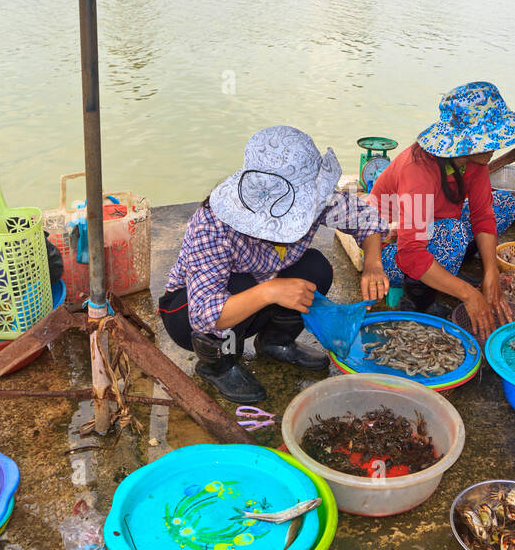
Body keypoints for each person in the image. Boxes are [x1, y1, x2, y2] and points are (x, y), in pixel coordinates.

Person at [159, 126, 389, 404]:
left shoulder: (316, 197)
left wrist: (373, 263)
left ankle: (275, 342)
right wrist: (270, 291)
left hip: (259, 287)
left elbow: (364, 218)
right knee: (240, 287)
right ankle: (220, 365)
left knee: (315, 268)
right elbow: (204, 313)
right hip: (189, 312)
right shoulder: (212, 225)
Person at [367, 81, 515, 339]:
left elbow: (482, 213)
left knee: (504, 203)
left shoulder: (474, 159)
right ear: (466, 141)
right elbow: (411, 254)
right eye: (488, 140)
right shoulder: (418, 170)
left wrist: (491, 271)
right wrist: (469, 294)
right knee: (452, 235)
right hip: (392, 248)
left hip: (437, 221)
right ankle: (418, 298)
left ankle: (451, 264)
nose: (494, 147)